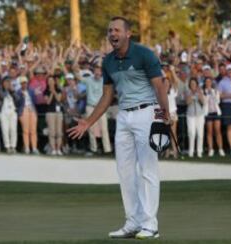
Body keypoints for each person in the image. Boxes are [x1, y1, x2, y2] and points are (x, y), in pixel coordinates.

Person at [68, 17, 171, 239]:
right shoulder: (108, 62)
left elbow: (160, 85)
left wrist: (165, 115)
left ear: (127, 33)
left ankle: (150, 225)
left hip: (147, 113)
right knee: (125, 171)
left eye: (116, 30)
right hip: (124, 116)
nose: (112, 34)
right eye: (109, 30)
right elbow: (107, 96)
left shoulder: (144, 54)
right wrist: (88, 122)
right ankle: (133, 222)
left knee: (147, 170)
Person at [80, 64, 112, 154]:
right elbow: (77, 76)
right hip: (90, 106)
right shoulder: (88, 80)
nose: (98, 72)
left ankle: (107, 150)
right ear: (94, 72)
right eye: (96, 71)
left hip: (101, 108)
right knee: (91, 129)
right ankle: (93, 149)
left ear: (102, 72)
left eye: (99, 71)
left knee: (104, 129)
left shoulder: (105, 81)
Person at [16, 76, 39, 154]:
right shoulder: (18, 92)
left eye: (25, 83)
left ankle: (34, 148)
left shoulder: (31, 91)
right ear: (20, 84)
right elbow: (17, 103)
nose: (24, 84)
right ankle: (27, 147)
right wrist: (22, 96)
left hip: (32, 109)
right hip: (23, 110)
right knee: (26, 130)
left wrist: (35, 94)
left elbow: (35, 101)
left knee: (33, 130)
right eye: (22, 83)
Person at [203, 77, 225, 157]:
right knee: (209, 131)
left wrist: (212, 93)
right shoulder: (203, 91)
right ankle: (210, 149)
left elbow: (218, 101)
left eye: (209, 81)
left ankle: (220, 149)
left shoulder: (215, 91)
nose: (208, 83)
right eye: (207, 81)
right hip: (208, 112)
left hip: (216, 112)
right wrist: (207, 94)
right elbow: (204, 102)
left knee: (217, 131)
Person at [186, 78, 205, 158]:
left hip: (200, 115)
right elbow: (187, 102)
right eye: (191, 84)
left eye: (194, 83)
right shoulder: (187, 92)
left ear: (197, 84)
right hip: (190, 115)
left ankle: (199, 151)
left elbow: (203, 102)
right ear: (190, 85)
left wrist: (199, 93)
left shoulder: (200, 91)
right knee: (192, 133)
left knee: (200, 134)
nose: (193, 85)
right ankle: (191, 151)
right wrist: (192, 94)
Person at [44, 76, 64, 155]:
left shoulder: (58, 90)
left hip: (58, 112)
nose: (51, 82)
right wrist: (51, 92)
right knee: (52, 131)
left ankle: (58, 149)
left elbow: (59, 99)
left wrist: (54, 91)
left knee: (59, 131)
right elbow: (48, 102)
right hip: (50, 112)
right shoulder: (45, 91)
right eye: (49, 81)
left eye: (52, 80)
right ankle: (53, 149)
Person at [0, 76, 18, 153]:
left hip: (12, 111)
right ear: (3, 83)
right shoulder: (0, 89)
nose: (8, 83)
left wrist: (12, 91)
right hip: (3, 112)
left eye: (9, 82)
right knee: (5, 129)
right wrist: (6, 89)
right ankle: (7, 146)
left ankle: (13, 146)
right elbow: (2, 96)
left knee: (13, 129)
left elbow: (18, 99)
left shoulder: (12, 90)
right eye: (6, 82)